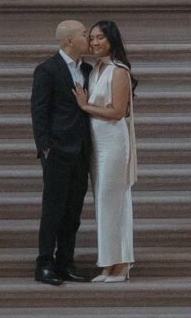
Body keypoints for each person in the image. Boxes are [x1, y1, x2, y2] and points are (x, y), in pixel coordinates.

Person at [29, 18, 98, 285]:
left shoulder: (89, 70)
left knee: (73, 211)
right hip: (57, 151)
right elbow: (39, 111)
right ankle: (44, 263)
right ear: (69, 40)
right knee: (53, 209)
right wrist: (45, 147)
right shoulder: (47, 70)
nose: (89, 39)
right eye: (84, 34)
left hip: (81, 151)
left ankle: (65, 261)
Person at [83, 20, 138, 282]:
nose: (94, 42)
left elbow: (117, 112)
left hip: (114, 145)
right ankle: (108, 263)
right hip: (98, 144)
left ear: (111, 40)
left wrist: (85, 107)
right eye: (91, 38)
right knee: (104, 204)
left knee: (114, 203)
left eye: (100, 38)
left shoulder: (118, 70)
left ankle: (122, 263)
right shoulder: (95, 70)